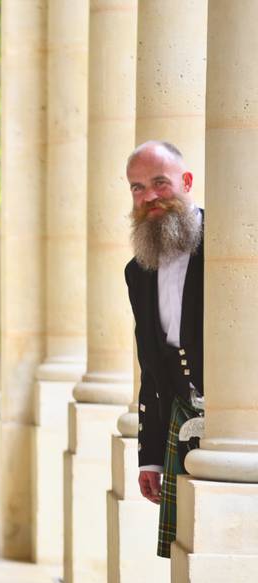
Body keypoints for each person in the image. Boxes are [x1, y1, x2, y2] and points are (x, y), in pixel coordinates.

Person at [124, 140, 203, 558]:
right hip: (178, 418)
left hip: (237, 423)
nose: (149, 196)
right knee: (185, 546)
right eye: (138, 187)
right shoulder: (137, 270)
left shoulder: (230, 248)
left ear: (186, 181)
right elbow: (150, 369)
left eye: (160, 182)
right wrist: (150, 456)